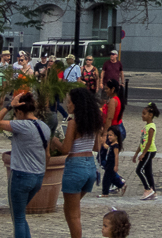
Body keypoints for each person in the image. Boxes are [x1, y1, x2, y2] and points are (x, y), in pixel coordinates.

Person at [0, 91, 51, 238]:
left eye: (15, 112)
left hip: (21, 175)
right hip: (38, 176)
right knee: (21, 215)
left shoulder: (22, 125)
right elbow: (48, 155)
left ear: (19, 111)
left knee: (18, 218)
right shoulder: (44, 127)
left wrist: (9, 106)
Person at [52, 86, 103, 238]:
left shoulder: (73, 123)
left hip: (75, 166)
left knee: (73, 215)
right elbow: (96, 146)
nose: (67, 105)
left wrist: (54, 140)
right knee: (72, 210)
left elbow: (65, 149)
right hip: (90, 166)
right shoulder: (92, 122)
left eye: (69, 102)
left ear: (76, 104)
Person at [132, 102, 160, 199]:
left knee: (139, 170)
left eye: (144, 114)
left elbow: (149, 142)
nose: (142, 115)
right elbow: (142, 142)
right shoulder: (146, 126)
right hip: (146, 151)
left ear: (150, 115)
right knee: (148, 172)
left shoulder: (151, 127)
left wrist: (143, 154)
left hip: (150, 151)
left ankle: (148, 189)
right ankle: (153, 192)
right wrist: (136, 153)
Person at [101, 125, 126, 197]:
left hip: (111, 164)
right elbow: (106, 147)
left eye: (111, 135)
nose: (109, 137)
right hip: (108, 163)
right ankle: (121, 185)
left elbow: (116, 156)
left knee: (106, 179)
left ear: (116, 136)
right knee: (111, 178)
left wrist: (116, 165)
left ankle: (105, 193)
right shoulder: (111, 144)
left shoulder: (116, 146)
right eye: (108, 135)